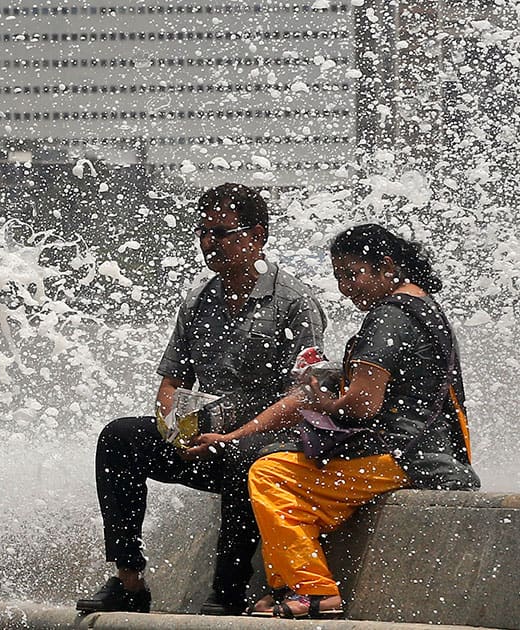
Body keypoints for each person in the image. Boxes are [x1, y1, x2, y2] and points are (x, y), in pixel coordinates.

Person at [192, 224, 478, 618]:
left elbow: (362, 406)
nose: (346, 287)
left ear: (387, 267)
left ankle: (315, 591)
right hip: (430, 454)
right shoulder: (425, 309)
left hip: (401, 457)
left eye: (352, 273)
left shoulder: (388, 318)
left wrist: (322, 401)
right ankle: (286, 586)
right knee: (293, 473)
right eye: (339, 276)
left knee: (270, 472)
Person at [76, 183, 327, 615]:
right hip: (203, 439)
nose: (212, 243)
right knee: (118, 437)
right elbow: (171, 382)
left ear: (258, 236)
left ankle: (227, 592)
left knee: (241, 455)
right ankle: (129, 581)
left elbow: (304, 395)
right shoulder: (199, 299)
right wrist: (176, 431)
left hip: (263, 443)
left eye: (225, 233)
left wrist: (235, 434)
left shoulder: (293, 301)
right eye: (205, 232)